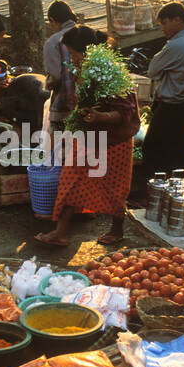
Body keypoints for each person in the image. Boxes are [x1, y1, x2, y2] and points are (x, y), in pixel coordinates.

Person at [36, 26, 139, 248]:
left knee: (115, 186)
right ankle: (60, 232)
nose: (72, 59)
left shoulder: (111, 72)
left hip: (114, 140)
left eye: (74, 54)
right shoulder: (84, 70)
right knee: (71, 180)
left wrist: (100, 116)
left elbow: (125, 113)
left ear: (89, 51)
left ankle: (116, 230)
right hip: (87, 135)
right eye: (70, 55)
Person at [141, 2, 184, 176]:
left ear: (177, 20)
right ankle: (175, 193)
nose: (162, 28)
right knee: (177, 154)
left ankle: (156, 191)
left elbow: (153, 70)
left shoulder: (176, 45)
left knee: (152, 151)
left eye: (164, 23)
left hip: (170, 107)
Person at [43, 0, 79, 132]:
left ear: (53, 20)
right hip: (89, 105)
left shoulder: (53, 41)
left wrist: (48, 82)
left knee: (60, 145)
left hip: (64, 102)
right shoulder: (85, 34)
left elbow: (56, 76)